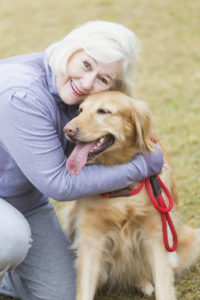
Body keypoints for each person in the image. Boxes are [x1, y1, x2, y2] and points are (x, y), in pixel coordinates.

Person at [0, 21, 163, 300]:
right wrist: (141, 166)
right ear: (70, 51)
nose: (88, 83)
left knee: (65, 292)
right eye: (87, 65)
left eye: (103, 79)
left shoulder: (80, 99)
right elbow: (59, 185)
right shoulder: (22, 94)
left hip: (25, 202)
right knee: (10, 239)